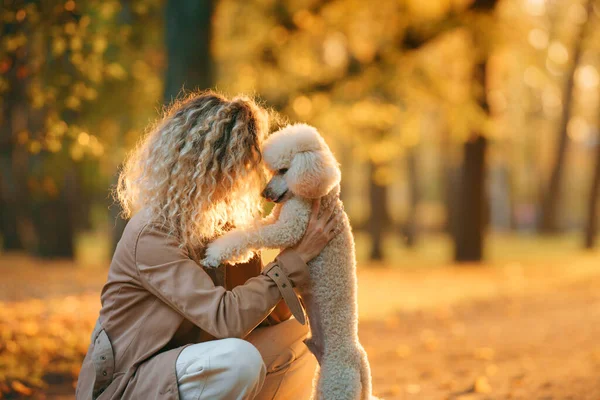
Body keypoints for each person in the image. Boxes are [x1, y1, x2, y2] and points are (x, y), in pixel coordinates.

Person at [75, 92, 342, 400]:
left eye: (246, 166)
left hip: (186, 368)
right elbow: (226, 319)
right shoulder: (152, 232)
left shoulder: (222, 225)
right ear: (197, 165)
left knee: (305, 338)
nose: (241, 179)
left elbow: (264, 316)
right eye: (234, 167)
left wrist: (299, 247)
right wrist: (294, 260)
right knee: (238, 361)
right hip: (129, 385)